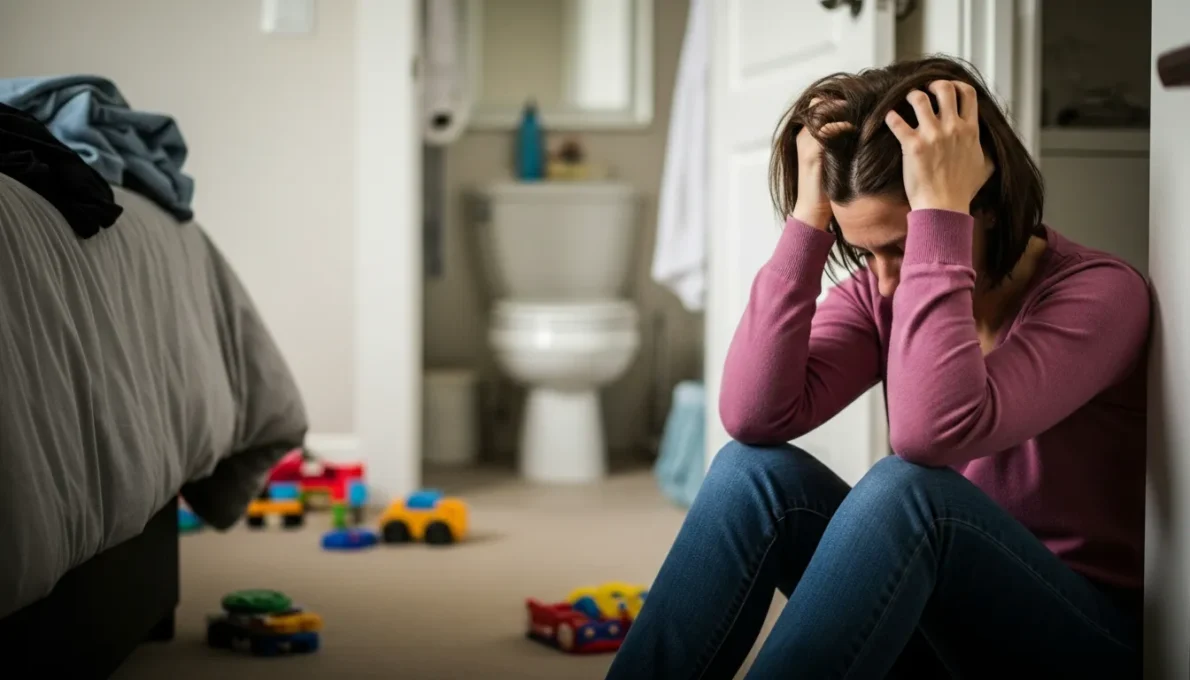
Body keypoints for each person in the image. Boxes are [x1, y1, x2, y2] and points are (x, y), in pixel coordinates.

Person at [607, 57, 1149, 679]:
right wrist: (807, 221)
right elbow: (754, 415)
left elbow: (928, 436)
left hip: (1072, 641)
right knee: (748, 473)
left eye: (901, 246)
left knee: (909, 490)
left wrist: (937, 222)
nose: (887, 280)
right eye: (864, 251)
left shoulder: (1102, 296)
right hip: (938, 622)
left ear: (987, 204)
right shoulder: (881, 293)